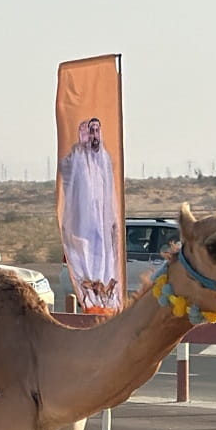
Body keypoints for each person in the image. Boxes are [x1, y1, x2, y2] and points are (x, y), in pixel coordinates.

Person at [59, 115, 122, 311]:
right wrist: (79, 148)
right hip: (83, 225)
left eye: (96, 131)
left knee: (104, 260)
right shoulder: (76, 158)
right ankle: (90, 302)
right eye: (90, 131)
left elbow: (110, 190)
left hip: (102, 224)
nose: (93, 135)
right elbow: (65, 172)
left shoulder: (104, 158)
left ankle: (104, 301)